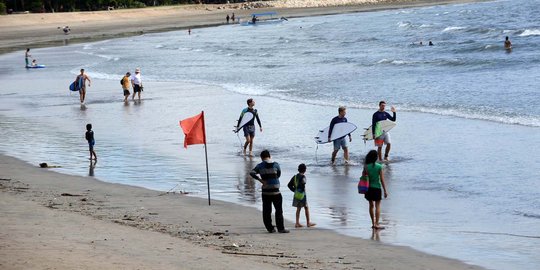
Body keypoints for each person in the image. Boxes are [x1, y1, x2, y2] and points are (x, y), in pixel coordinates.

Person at [250, 150, 289, 233]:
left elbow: (252, 173)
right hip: (276, 191)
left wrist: (260, 180)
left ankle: (270, 228)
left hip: (266, 191)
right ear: (269, 156)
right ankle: (281, 228)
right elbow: (278, 174)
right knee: (278, 210)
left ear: (261, 157)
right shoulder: (276, 164)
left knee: (267, 210)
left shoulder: (260, 166)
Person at [363, 150, 388, 230]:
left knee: (371, 205)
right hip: (377, 188)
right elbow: (382, 179)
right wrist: (385, 190)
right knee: (377, 206)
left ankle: (373, 223)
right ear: (376, 158)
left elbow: (364, 178)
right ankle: (377, 223)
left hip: (368, 188)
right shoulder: (379, 166)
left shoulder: (366, 167)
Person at [287, 163, 316, 228]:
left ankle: (297, 223)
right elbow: (303, 183)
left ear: (298, 170)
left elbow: (289, 185)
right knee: (306, 207)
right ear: (305, 170)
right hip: (302, 195)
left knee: (298, 208)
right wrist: (301, 190)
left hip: (296, 194)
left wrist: (294, 190)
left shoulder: (294, 177)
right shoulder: (303, 177)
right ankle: (308, 223)